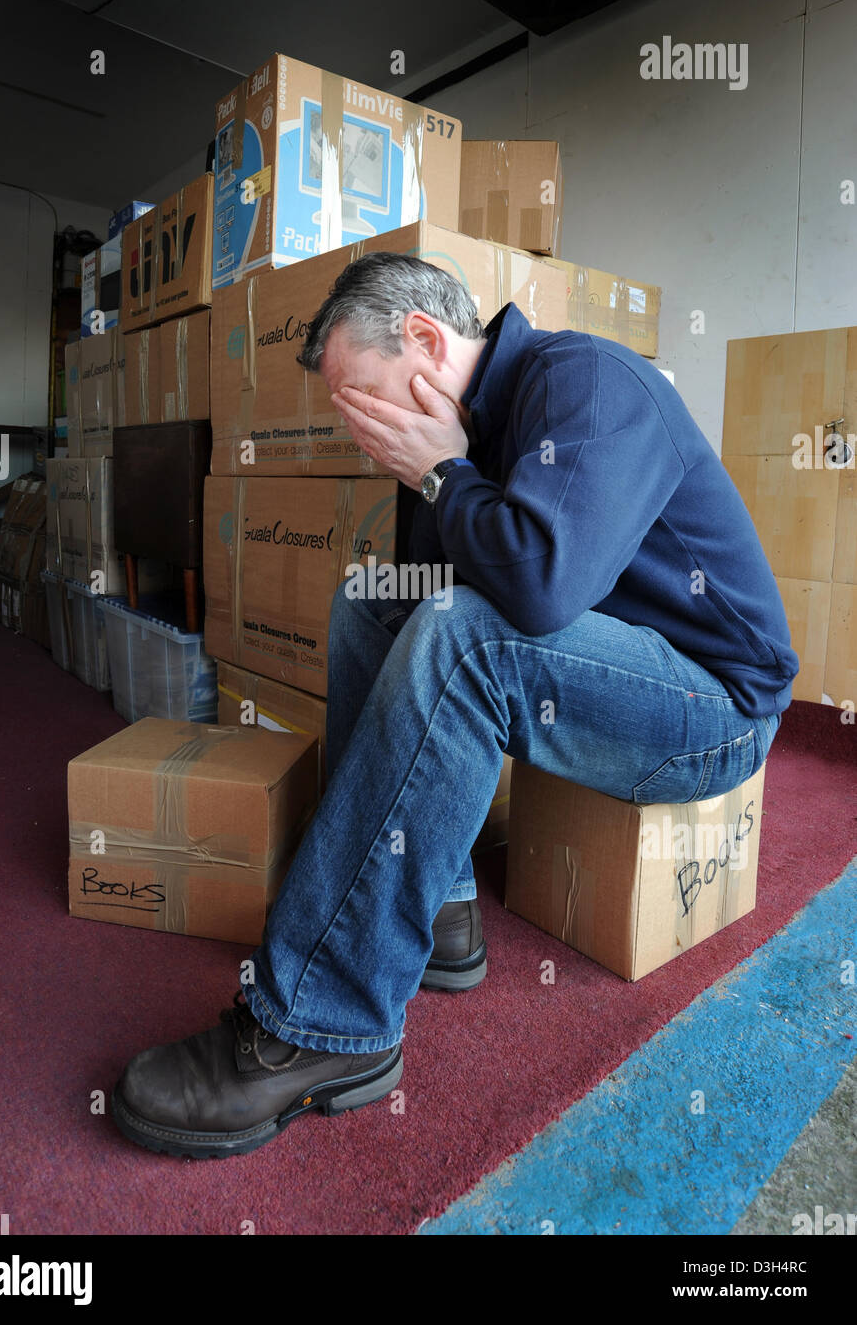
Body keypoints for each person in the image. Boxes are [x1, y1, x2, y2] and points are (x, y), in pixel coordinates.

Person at [111, 252, 798, 1159]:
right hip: (625, 674)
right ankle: (437, 906)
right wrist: (441, 478)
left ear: (427, 342)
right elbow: (437, 587)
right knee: (377, 599)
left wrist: (441, 473)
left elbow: (539, 590)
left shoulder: (588, 384)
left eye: (362, 398)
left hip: (714, 712)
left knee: (463, 632)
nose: (362, 434)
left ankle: (322, 1022)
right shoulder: (478, 431)